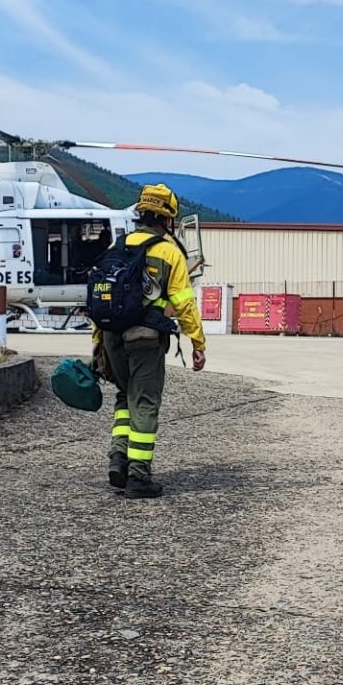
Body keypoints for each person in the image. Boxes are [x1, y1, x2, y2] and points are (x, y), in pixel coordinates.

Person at [97, 183, 206, 499]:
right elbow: (183, 303)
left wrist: (98, 345)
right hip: (145, 338)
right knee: (144, 401)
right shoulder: (168, 252)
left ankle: (119, 457)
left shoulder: (117, 247)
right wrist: (198, 343)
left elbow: (99, 299)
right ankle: (139, 476)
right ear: (168, 219)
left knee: (124, 395)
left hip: (111, 336)